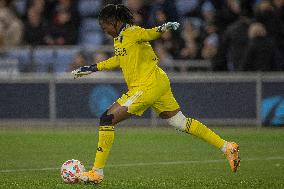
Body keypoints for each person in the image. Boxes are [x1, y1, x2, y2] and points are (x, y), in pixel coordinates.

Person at [72, 4, 240, 184]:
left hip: (146, 85)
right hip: (157, 81)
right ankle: (227, 147)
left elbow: (149, 33)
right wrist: (92, 68)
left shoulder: (132, 31)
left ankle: (97, 173)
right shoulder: (119, 38)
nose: (104, 30)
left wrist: (163, 27)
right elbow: (119, 59)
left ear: (113, 22)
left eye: (104, 25)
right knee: (180, 122)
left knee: (106, 119)